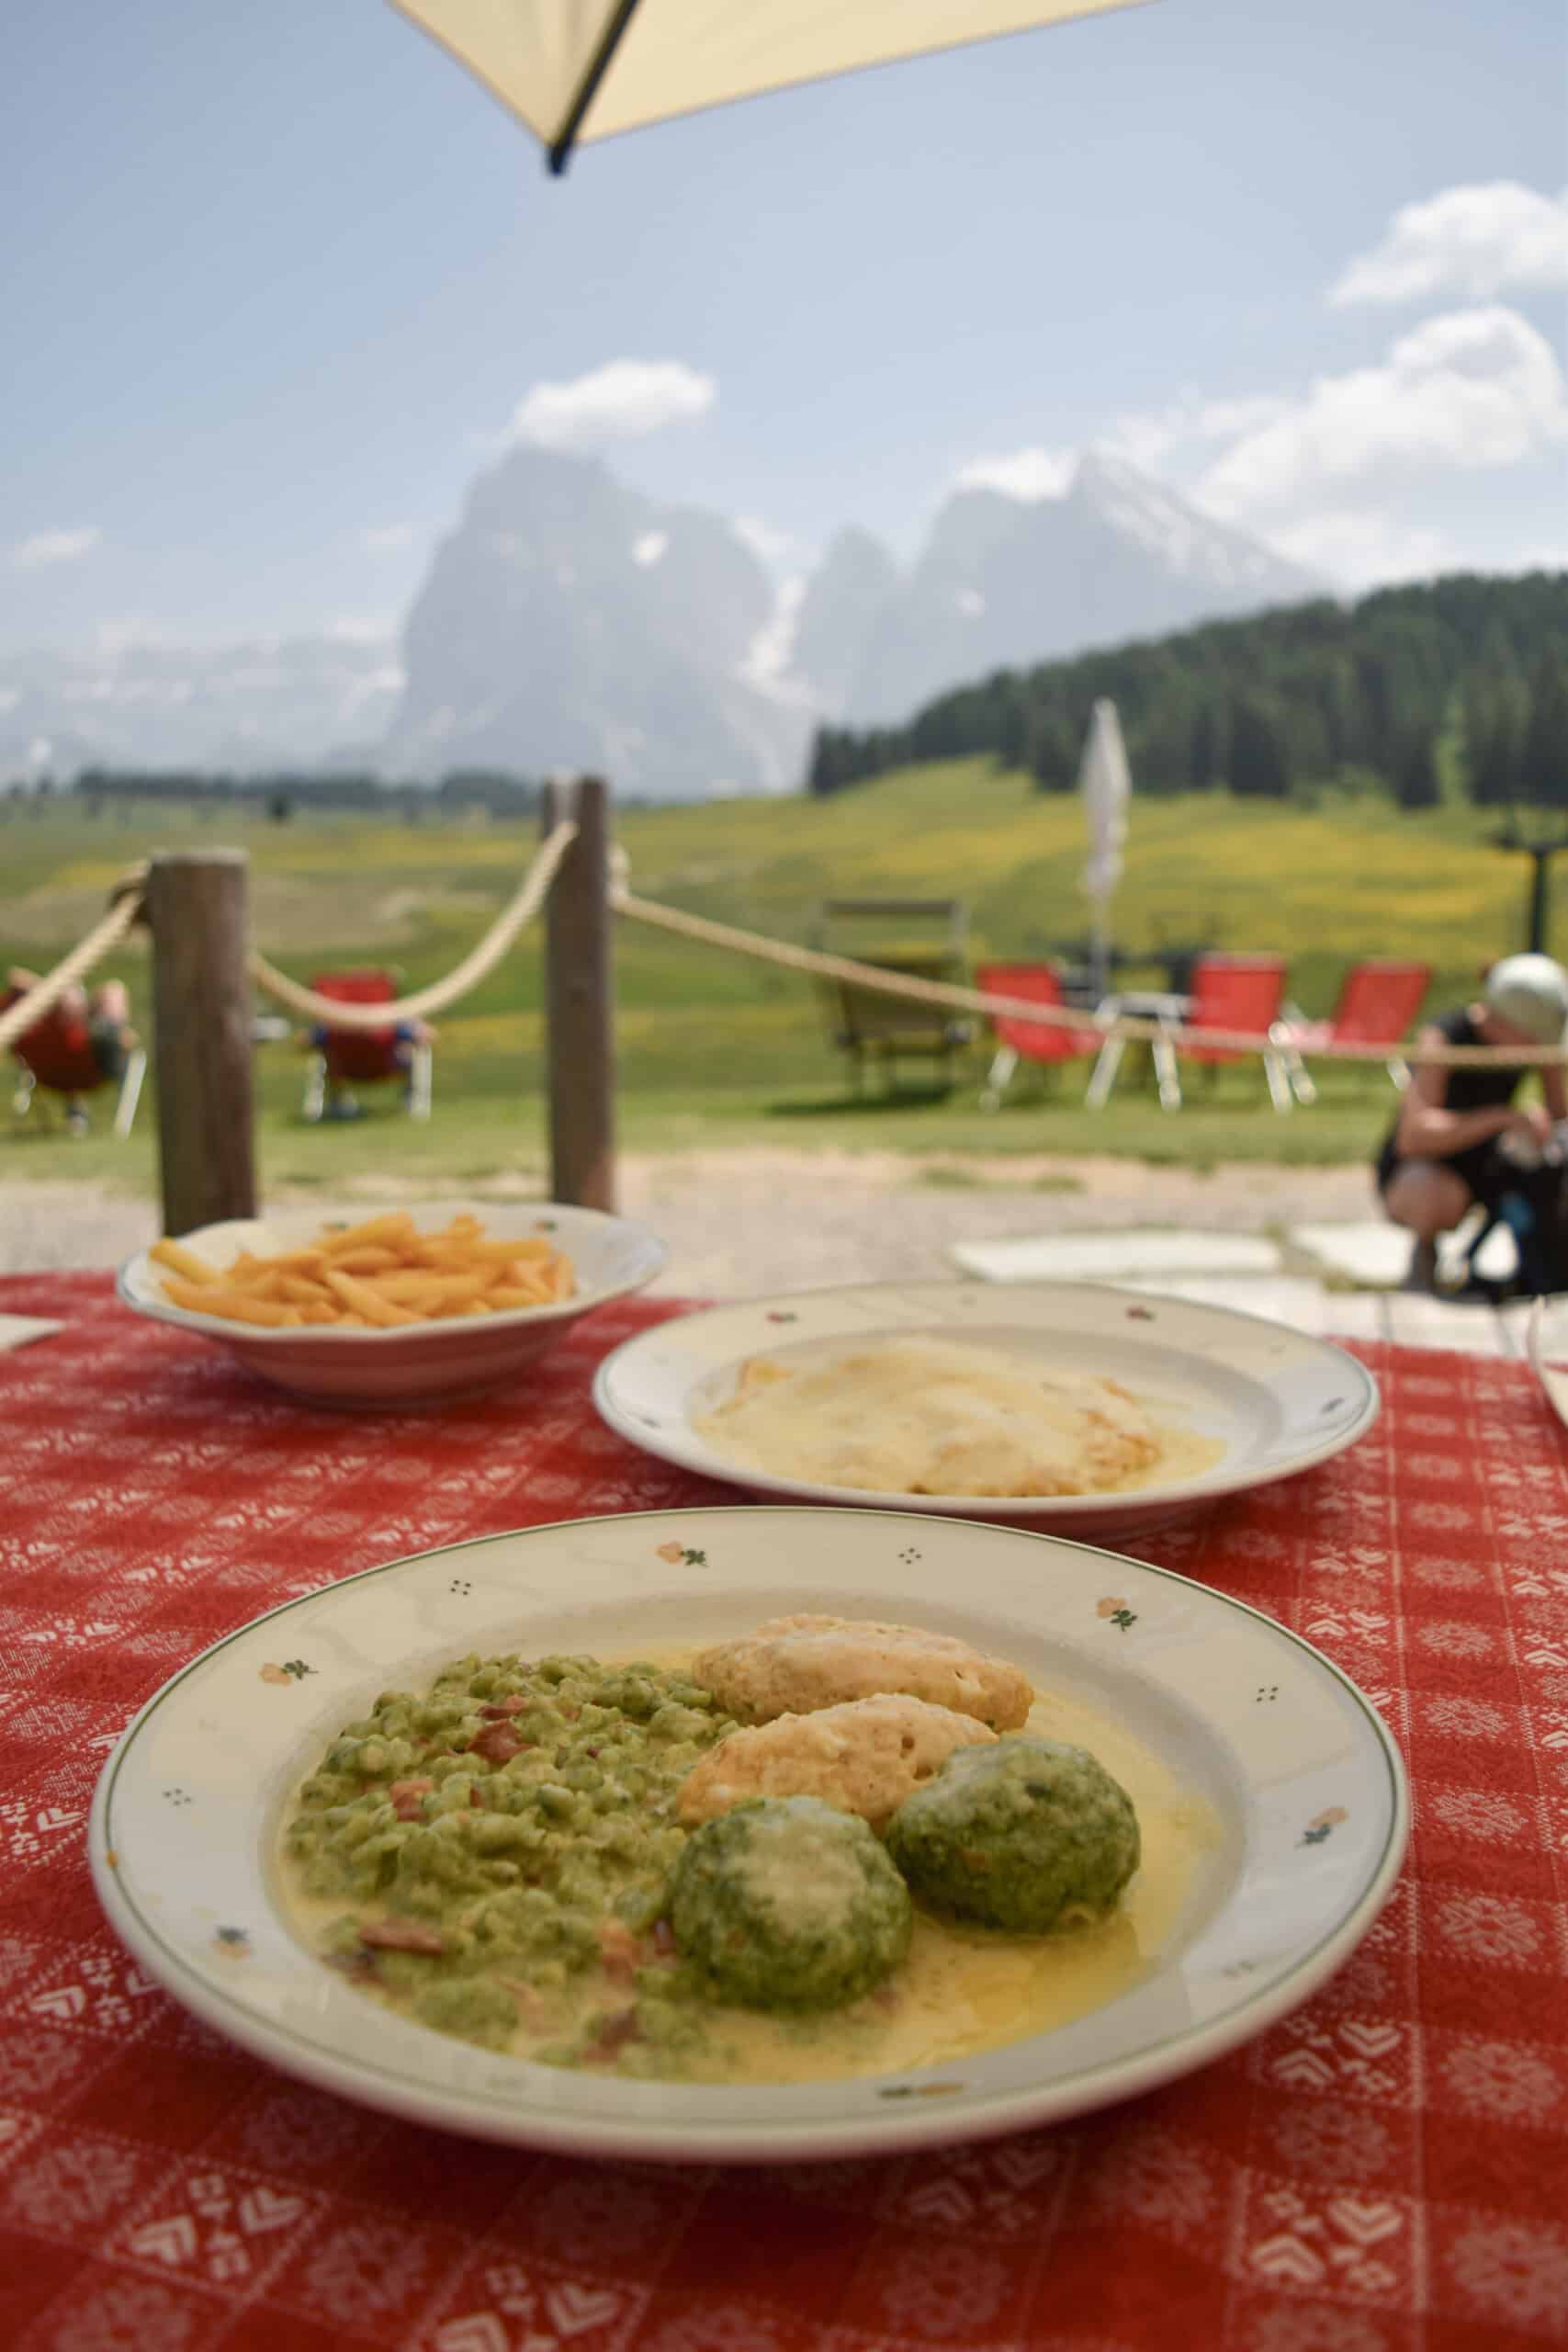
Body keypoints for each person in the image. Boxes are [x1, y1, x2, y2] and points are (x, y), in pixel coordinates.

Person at [1375, 952, 1568, 1291]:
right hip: (1431, 1167)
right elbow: (1413, 1136)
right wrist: (1502, 1119)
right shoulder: (1446, 1038)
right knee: (1428, 1190)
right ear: (1508, 1023)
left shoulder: (1532, 1042)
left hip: (1490, 1163)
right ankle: (1424, 1251)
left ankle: (1540, 1266)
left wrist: (1537, 1128)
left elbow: (1560, 1113)